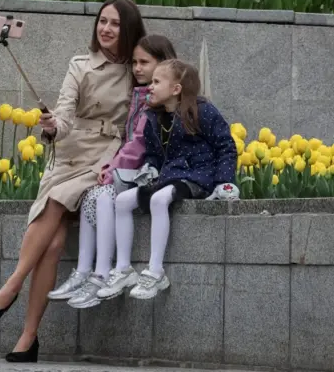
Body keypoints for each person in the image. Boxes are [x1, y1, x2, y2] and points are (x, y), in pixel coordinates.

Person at [0, 0, 146, 362]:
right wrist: (54, 126)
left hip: (103, 157)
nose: (106, 29)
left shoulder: (137, 70)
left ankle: (12, 284)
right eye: (102, 21)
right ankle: (28, 338)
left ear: (129, 28)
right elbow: (65, 111)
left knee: (57, 200)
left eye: (115, 24)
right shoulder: (80, 64)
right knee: (52, 245)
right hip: (67, 152)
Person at [47, 35, 178, 309]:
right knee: (93, 194)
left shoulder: (155, 104)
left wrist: (113, 168)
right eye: (134, 62)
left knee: (104, 194)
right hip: (133, 170)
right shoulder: (140, 96)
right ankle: (86, 272)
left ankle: (103, 274)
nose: (138, 69)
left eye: (145, 63)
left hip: (149, 174)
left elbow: (139, 144)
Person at [97, 59, 238, 301]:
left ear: (176, 89)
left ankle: (155, 271)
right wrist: (150, 168)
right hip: (168, 176)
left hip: (197, 176)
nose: (150, 86)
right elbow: (153, 153)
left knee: (160, 200)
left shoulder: (203, 111)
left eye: (156, 82)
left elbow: (226, 146)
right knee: (122, 201)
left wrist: (223, 181)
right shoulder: (154, 118)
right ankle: (123, 269)